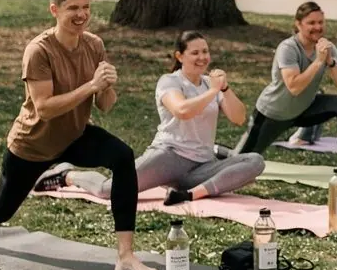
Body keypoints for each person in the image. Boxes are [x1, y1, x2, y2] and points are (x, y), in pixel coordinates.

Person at [0, 0, 156, 270]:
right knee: (0, 212)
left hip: (75, 135)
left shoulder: (94, 44)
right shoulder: (39, 51)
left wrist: (106, 86)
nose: (81, 14)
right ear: (54, 10)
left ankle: (126, 255)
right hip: (33, 145)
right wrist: (90, 86)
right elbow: (44, 108)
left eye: (86, 7)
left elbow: (104, 105)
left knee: (123, 156)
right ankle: (47, 175)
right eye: (73, 8)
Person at [50, 31, 264, 206]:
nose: (202, 57)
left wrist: (224, 88)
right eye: (195, 52)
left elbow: (238, 118)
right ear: (179, 56)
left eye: (205, 52)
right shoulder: (169, 81)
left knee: (255, 161)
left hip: (201, 165)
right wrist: (213, 92)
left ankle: (189, 194)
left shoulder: (212, 84)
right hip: (169, 157)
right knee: (109, 190)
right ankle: (68, 175)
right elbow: (182, 110)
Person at [235, 1, 337, 181]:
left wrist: (330, 62)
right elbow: (294, 87)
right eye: (311, 23)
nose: (317, 27)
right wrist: (318, 62)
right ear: (298, 24)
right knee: (238, 162)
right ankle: (217, 151)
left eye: (320, 22)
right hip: (273, 114)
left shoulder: (327, 48)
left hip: (303, 111)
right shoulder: (288, 48)